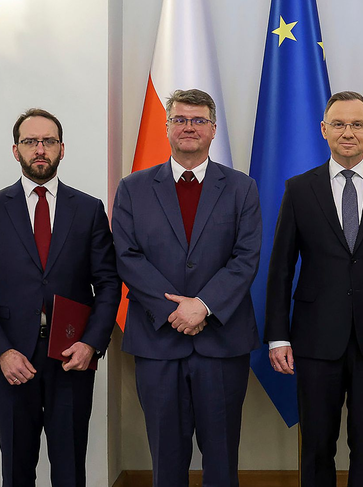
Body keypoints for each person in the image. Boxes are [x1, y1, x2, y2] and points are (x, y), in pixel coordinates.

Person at [264, 91, 363, 487]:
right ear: (324, 130)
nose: (347, 132)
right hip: (315, 337)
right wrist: (276, 337)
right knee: (318, 443)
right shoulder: (300, 189)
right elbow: (280, 268)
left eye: (356, 124)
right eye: (338, 124)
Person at [0, 108, 120, 487]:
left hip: (71, 358)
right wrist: (1, 351)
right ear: (15, 150)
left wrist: (91, 345)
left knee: (69, 467)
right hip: (12, 361)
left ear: (62, 149)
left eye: (48, 141)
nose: (40, 149)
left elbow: (109, 283)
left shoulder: (88, 209)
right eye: (30, 141)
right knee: (17, 467)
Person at [112, 89, 262, 487]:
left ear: (213, 129)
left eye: (198, 120)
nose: (189, 127)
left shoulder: (241, 188)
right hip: (157, 343)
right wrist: (175, 311)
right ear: (167, 128)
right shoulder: (133, 187)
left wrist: (204, 306)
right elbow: (127, 257)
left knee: (221, 460)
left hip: (222, 343)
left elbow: (246, 257)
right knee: (166, 460)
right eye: (180, 119)